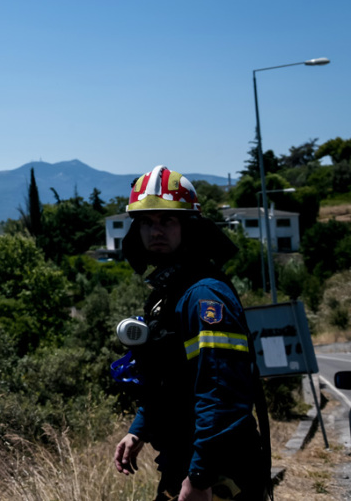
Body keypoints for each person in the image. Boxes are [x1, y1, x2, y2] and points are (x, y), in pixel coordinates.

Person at [112, 165, 272, 501]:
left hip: (219, 470)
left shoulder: (204, 295)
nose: (155, 231)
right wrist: (139, 431)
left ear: (188, 226)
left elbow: (222, 392)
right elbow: (170, 379)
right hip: (188, 460)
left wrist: (200, 476)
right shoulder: (169, 293)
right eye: (146, 222)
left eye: (167, 220)